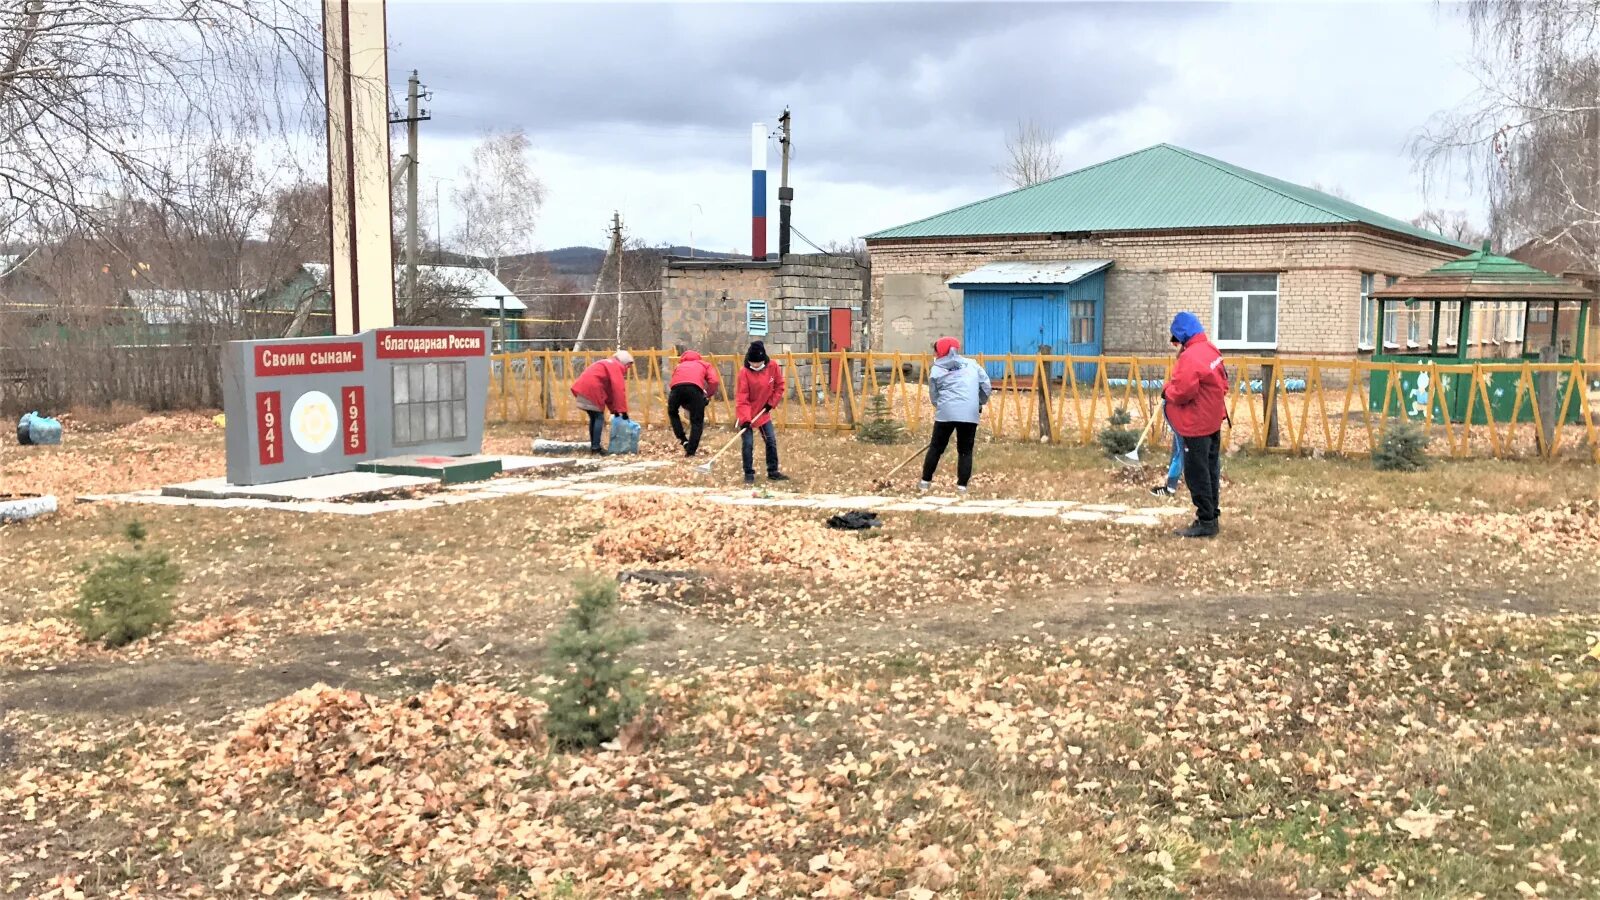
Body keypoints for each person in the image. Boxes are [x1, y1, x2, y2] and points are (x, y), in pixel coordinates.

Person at [1163, 311, 1229, 537]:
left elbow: (1182, 392)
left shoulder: (1190, 358)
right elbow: (1224, 382)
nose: (1177, 346)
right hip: (1213, 420)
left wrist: (1166, 391)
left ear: (1182, 335)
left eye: (1177, 340)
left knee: (1196, 472)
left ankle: (1206, 521)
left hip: (1196, 424)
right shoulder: (1210, 349)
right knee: (1210, 469)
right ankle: (1212, 514)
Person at [919, 336, 991, 494]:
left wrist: (941, 407)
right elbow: (986, 386)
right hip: (969, 414)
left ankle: (925, 482)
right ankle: (962, 487)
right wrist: (979, 403)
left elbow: (934, 395)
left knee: (936, 448)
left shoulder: (936, 369)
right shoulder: (972, 364)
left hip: (946, 412)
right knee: (965, 450)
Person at [734, 340, 788, 485]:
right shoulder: (744, 373)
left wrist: (771, 403)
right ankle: (748, 473)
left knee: (771, 440)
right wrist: (745, 419)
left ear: (763, 359)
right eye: (752, 363)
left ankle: (773, 471)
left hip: (763, 411)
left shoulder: (773, 367)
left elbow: (779, 386)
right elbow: (742, 398)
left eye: (757, 363)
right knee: (748, 444)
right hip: (747, 413)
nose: (755, 365)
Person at [570, 350, 633, 454]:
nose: (627, 369)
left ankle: (594, 446)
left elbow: (609, 391)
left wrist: (616, 410)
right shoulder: (616, 367)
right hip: (592, 390)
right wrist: (623, 411)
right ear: (624, 362)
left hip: (583, 389)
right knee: (599, 418)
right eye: (628, 366)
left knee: (594, 417)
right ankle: (596, 448)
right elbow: (618, 390)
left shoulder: (608, 363)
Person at [1150, 334, 1187, 497]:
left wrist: (1167, 390)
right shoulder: (1187, 361)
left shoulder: (1185, 360)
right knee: (1181, 450)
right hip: (1177, 411)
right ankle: (1171, 487)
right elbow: (1180, 387)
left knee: (1178, 448)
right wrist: (1168, 390)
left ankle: (1172, 484)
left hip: (1176, 410)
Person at [667, 349, 721, 456]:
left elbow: (675, 382)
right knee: (697, 421)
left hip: (676, 389)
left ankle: (683, 439)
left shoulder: (679, 366)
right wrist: (706, 395)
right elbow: (714, 381)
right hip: (694, 389)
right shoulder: (704, 364)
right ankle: (690, 451)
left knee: (672, 412)